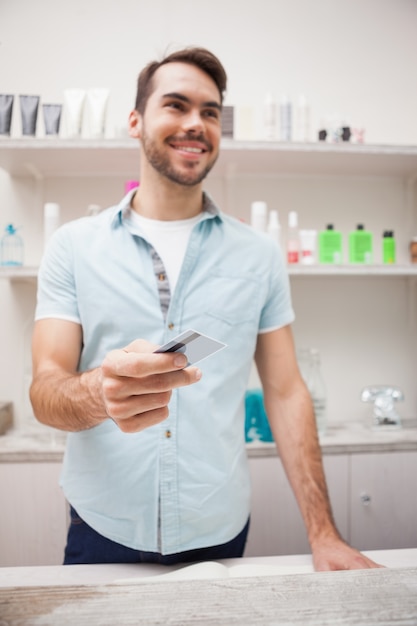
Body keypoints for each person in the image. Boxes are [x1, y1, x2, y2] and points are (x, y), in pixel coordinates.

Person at [30, 46, 380, 570]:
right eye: (175, 105)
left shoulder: (258, 255)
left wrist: (324, 533)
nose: (196, 123)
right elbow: (44, 388)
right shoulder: (73, 247)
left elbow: (286, 393)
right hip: (102, 524)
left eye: (210, 112)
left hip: (217, 527)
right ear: (135, 121)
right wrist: (100, 391)